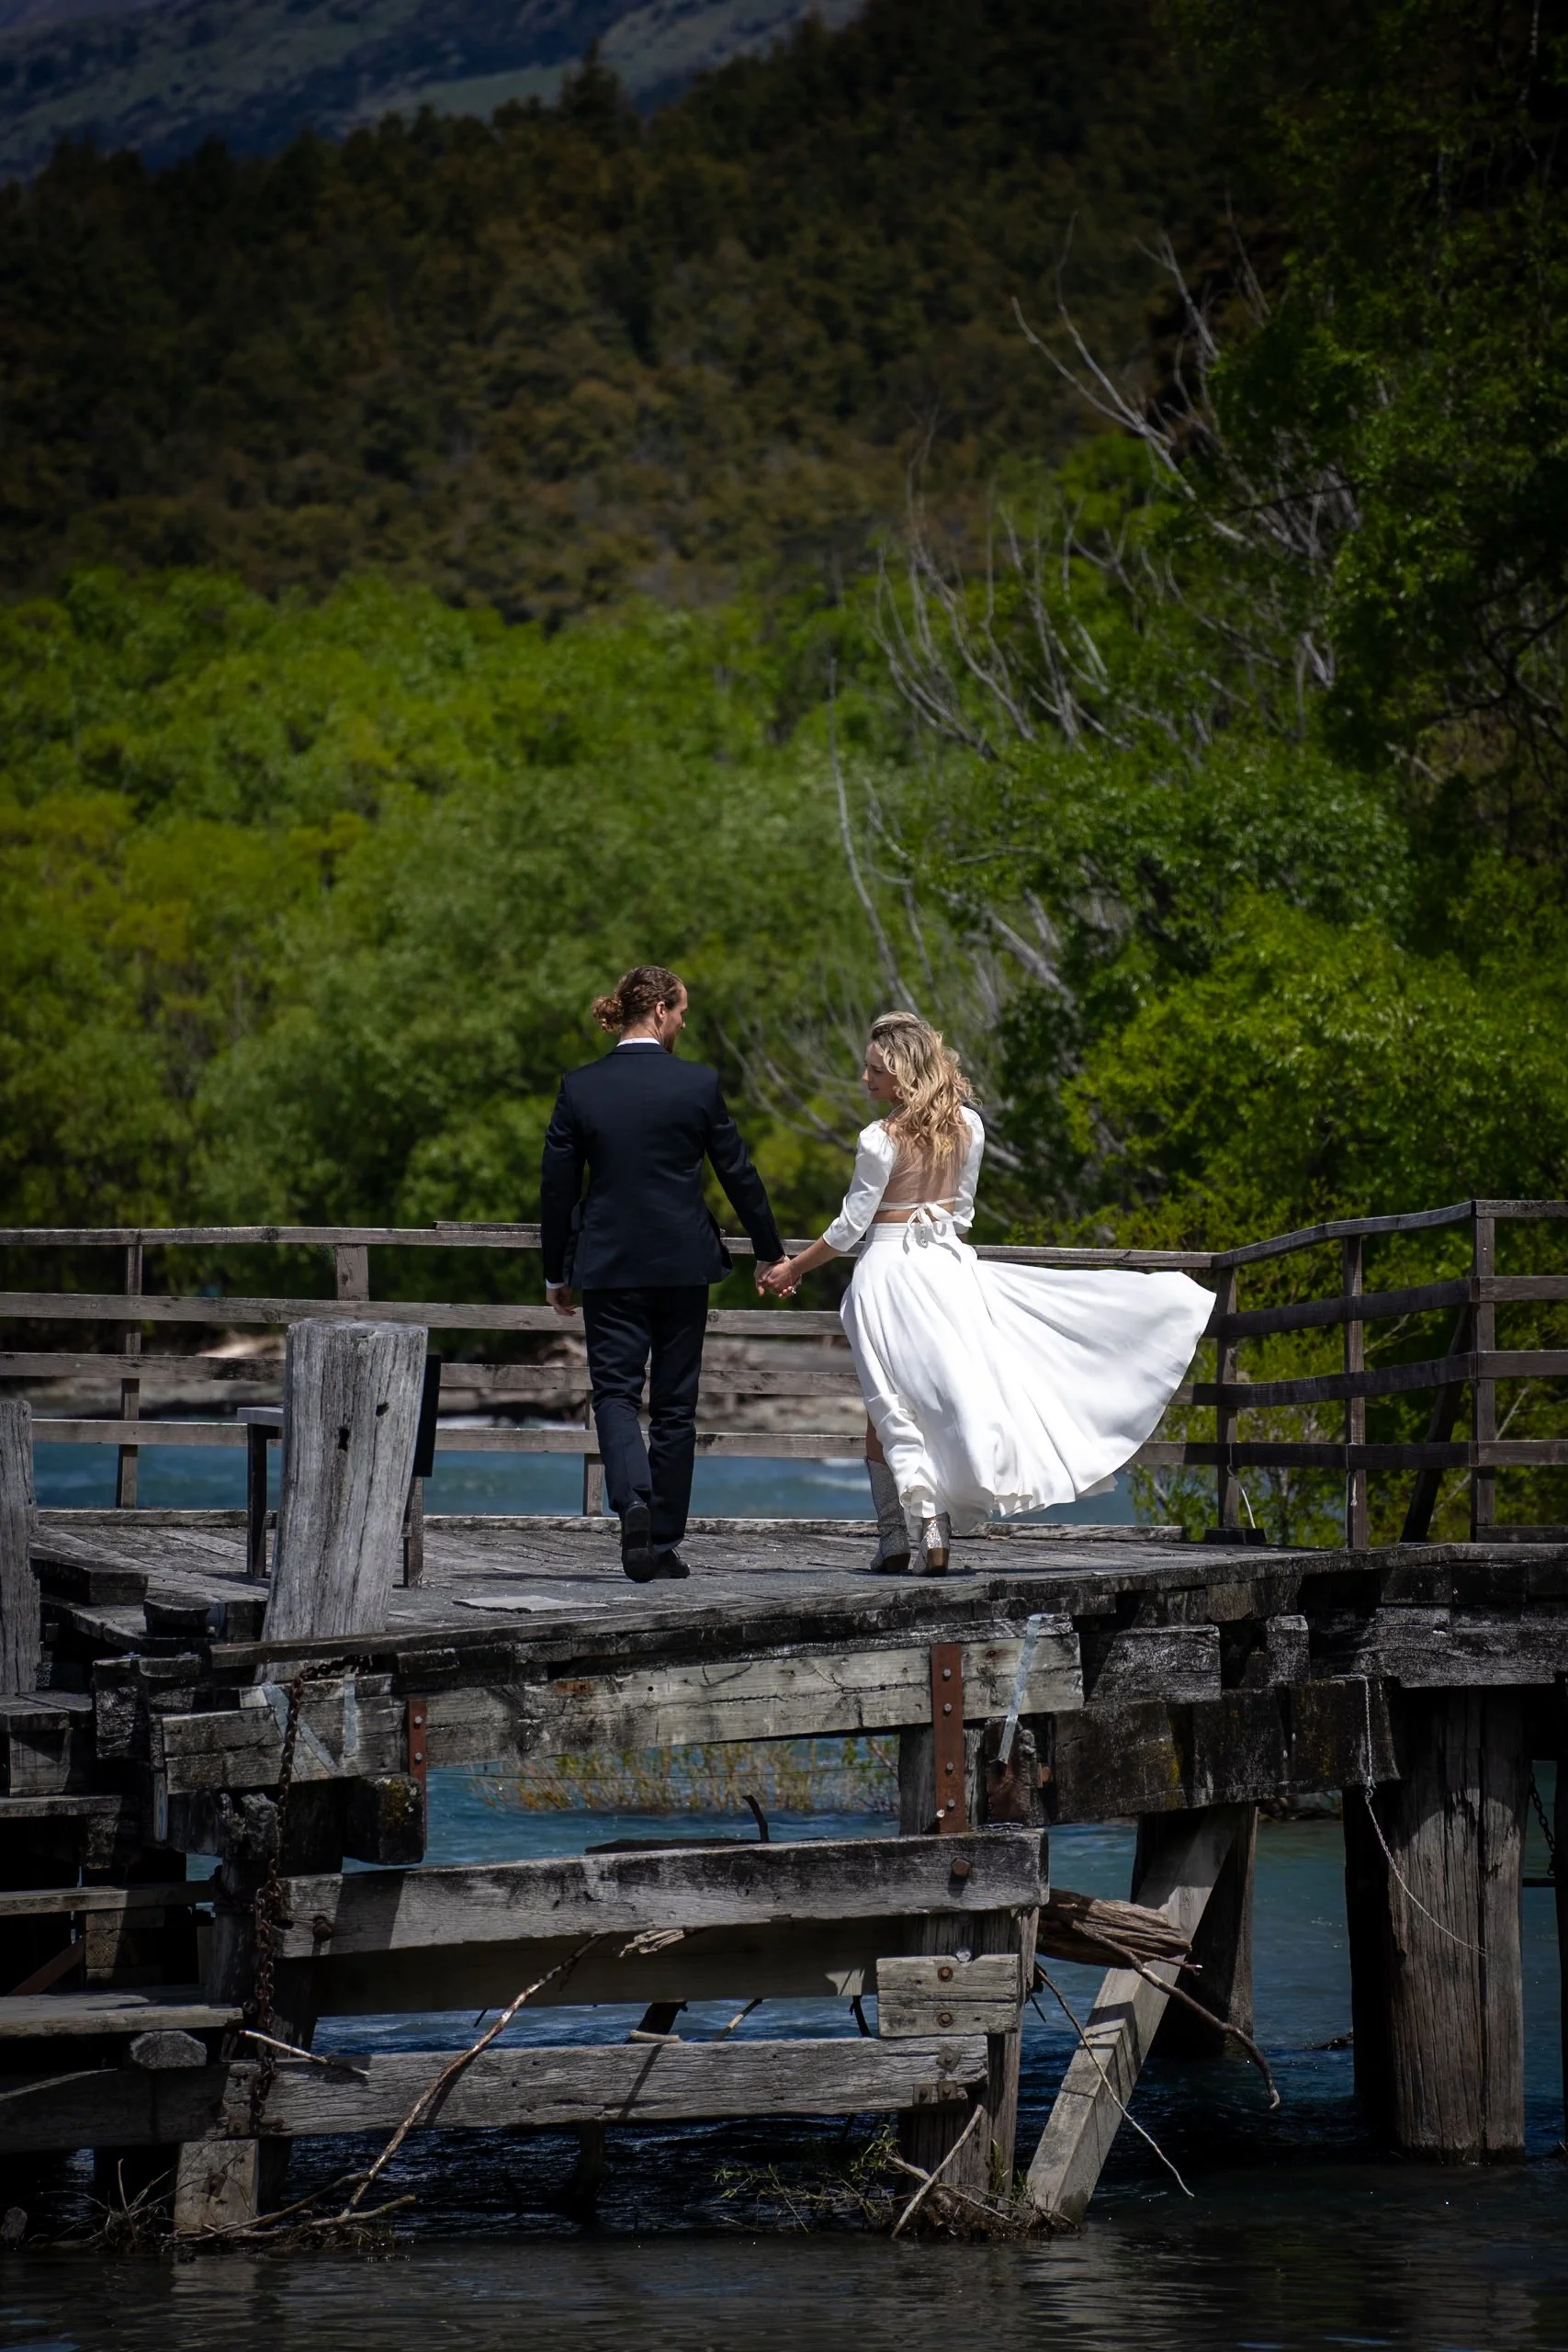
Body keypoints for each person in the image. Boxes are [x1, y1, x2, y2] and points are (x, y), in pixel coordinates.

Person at [758, 1010, 1213, 1573]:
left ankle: (900, 1538)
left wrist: (794, 1268)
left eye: (874, 1069)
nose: (864, 1078)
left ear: (903, 1073)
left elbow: (852, 1226)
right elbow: (964, 1211)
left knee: (888, 1407)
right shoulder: (968, 1126)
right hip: (947, 1267)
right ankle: (931, 1534)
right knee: (937, 1398)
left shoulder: (878, 1139)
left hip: (889, 1275)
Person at [540, 965, 787, 1581]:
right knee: (675, 1407)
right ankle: (661, 1542)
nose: (682, 1022)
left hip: (610, 1264)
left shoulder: (580, 1087)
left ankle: (633, 1504)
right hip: (682, 1264)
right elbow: (739, 1173)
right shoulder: (696, 1085)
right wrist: (768, 1250)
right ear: (657, 1012)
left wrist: (554, 1269)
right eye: (680, 1012)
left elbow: (557, 1188)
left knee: (616, 1394)